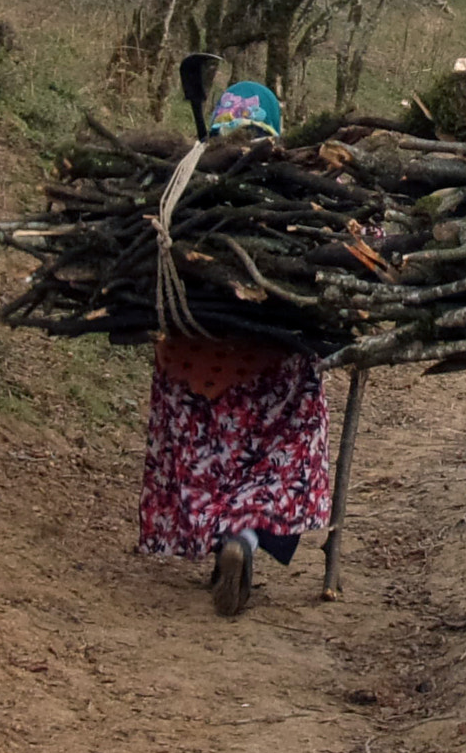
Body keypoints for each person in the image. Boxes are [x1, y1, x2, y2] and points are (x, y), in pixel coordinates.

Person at [136, 76, 331, 616]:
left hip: (190, 357)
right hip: (270, 359)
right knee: (281, 446)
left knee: (204, 457)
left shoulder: (176, 184)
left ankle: (223, 538)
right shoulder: (297, 189)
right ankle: (242, 539)